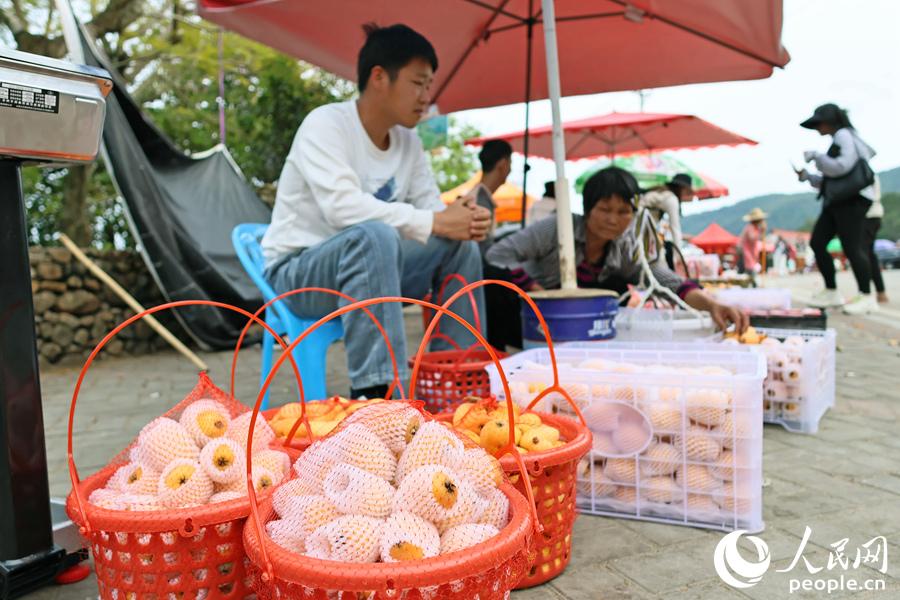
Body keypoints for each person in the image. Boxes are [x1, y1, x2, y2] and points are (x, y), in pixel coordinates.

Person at [261, 23, 491, 399]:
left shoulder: (409, 143)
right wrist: (436, 220)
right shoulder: (326, 124)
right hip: (299, 275)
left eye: (429, 86)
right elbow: (342, 209)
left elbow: (432, 212)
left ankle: (454, 382)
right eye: (418, 83)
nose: (425, 96)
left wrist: (462, 218)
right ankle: (379, 392)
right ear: (380, 77)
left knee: (459, 246)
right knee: (373, 234)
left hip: (377, 271)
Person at [485, 167, 748, 340]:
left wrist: (713, 304)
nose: (613, 220)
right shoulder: (556, 228)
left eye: (624, 212)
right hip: (531, 323)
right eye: (605, 209)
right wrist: (537, 290)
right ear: (588, 209)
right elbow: (496, 255)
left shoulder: (626, 247)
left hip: (581, 333)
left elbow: (666, 281)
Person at [796, 103, 878, 314]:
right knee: (818, 242)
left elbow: (842, 166)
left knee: (852, 247)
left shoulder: (843, 134)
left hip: (852, 200)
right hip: (837, 201)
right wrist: (808, 177)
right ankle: (831, 291)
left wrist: (816, 156)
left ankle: (866, 296)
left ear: (829, 121)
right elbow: (831, 180)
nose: (817, 128)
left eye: (819, 123)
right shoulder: (837, 138)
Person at [639, 173, 694, 269]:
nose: (686, 194)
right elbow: (675, 229)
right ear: (682, 188)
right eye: (687, 191)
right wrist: (678, 257)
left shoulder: (660, 192)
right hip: (642, 232)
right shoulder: (671, 198)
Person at [468, 139, 512, 255]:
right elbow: (481, 250)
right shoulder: (479, 201)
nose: (510, 170)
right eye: (510, 163)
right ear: (503, 164)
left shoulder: (478, 196)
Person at [862, 175, 889, 303]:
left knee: (864, 255)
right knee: (869, 254)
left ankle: (867, 294)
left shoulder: (863, 172)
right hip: (875, 215)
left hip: (868, 216)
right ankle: (880, 292)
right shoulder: (869, 172)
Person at [738, 208, 767, 275]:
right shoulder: (750, 227)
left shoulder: (755, 228)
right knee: (751, 272)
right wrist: (761, 231)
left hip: (752, 255)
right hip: (747, 255)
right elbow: (752, 239)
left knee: (753, 271)